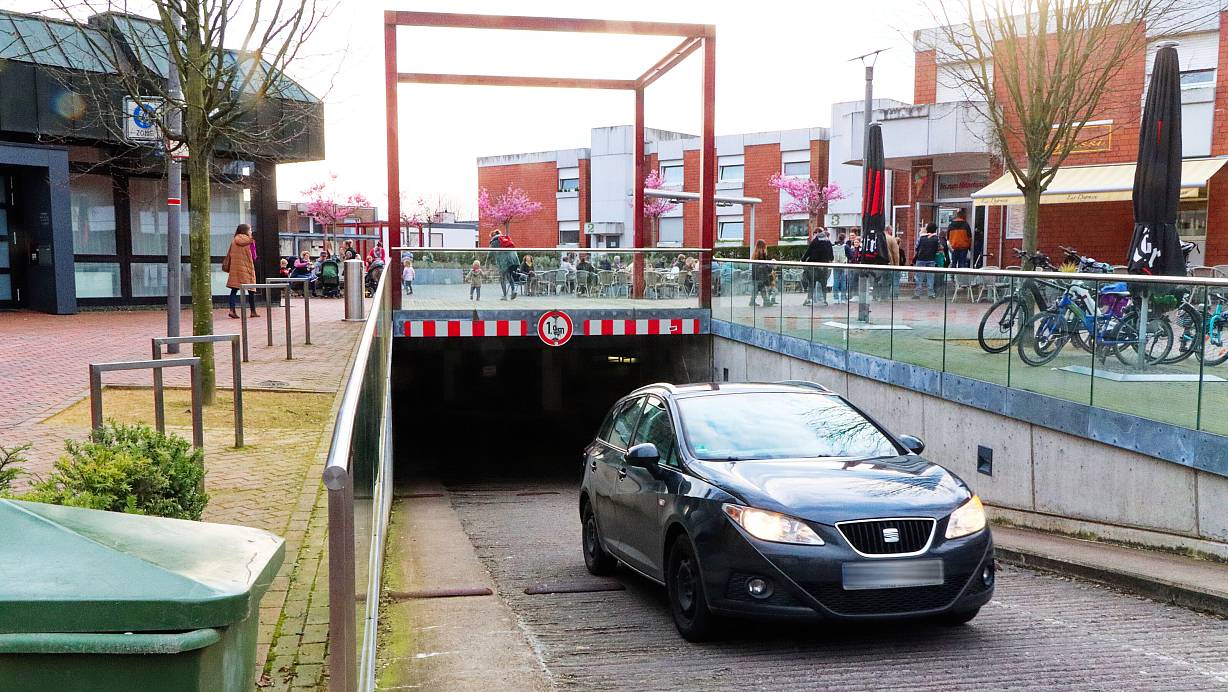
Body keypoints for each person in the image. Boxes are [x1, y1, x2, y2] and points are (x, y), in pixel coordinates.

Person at [224, 224, 257, 319]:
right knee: (251, 289)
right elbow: (254, 256)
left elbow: (230, 254)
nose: (251, 231)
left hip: (236, 269)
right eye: (250, 230)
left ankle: (232, 310)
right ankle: (253, 311)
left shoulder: (234, 240)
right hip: (247, 268)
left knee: (234, 289)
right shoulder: (250, 241)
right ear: (245, 231)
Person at [801, 226, 834, 306]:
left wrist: (803, 259)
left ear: (816, 233)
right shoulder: (828, 242)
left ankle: (809, 299)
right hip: (824, 266)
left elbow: (808, 252)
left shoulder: (815, 241)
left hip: (813, 266)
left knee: (811, 283)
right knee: (823, 284)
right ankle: (824, 299)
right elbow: (831, 256)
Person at [489, 229, 520, 300]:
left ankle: (505, 296)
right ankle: (513, 290)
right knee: (509, 275)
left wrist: (486, 263)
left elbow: (490, 253)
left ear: (493, 235)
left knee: (502, 278)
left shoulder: (494, 241)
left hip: (504, 261)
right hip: (514, 259)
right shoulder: (505, 238)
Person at [914, 223, 941, 299]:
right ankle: (930, 294)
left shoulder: (921, 237)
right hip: (931, 259)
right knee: (930, 277)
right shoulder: (936, 238)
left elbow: (916, 247)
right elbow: (939, 248)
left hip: (921, 259)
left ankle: (917, 294)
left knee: (919, 277)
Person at [749, 239, 775, 307]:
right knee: (761, 289)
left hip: (755, 276)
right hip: (761, 276)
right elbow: (764, 265)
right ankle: (766, 302)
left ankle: (755, 301)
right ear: (763, 246)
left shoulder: (755, 254)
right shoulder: (762, 254)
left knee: (757, 289)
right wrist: (770, 267)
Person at [882, 226, 902, 299]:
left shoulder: (879, 238)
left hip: (879, 264)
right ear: (889, 231)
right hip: (890, 263)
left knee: (882, 281)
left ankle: (881, 295)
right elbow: (896, 253)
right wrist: (896, 266)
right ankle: (893, 296)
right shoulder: (891, 239)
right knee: (892, 281)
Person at [832, 232, 849, 301]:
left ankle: (835, 298)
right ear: (844, 238)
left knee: (835, 281)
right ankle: (843, 297)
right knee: (843, 281)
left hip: (835, 265)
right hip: (843, 265)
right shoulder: (846, 246)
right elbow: (850, 256)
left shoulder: (833, 246)